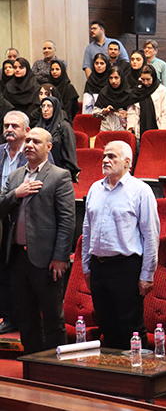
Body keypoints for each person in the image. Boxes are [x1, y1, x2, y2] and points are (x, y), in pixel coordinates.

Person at [0, 127, 75, 355]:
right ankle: (32, 363)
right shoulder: (15, 176)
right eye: (28, 141)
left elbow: (67, 220)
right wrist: (17, 193)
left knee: (52, 317)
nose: (30, 145)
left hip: (46, 258)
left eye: (36, 141)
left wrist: (60, 257)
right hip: (17, 257)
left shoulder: (59, 176)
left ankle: (55, 368)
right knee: (25, 316)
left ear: (49, 147)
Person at [82, 141, 159, 350]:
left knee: (131, 328)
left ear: (127, 162)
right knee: (107, 326)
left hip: (125, 267)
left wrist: (147, 275)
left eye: (112, 156)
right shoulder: (95, 189)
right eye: (104, 156)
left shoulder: (141, 190)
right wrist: (86, 267)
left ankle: (139, 369)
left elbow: (151, 236)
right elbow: (87, 231)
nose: (105, 160)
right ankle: (112, 371)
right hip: (98, 267)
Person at [0, 111, 31, 336]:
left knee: (18, 274)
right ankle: (7, 317)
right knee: (2, 271)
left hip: (22, 221)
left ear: (26, 130)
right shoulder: (0, 152)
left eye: (14, 126)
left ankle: (21, 318)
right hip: (1, 218)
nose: (9, 129)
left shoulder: (33, 153)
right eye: (6, 125)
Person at [37, 97, 80, 182]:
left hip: (60, 173)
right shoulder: (38, 128)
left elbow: (70, 154)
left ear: (55, 108)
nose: (45, 109)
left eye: (49, 106)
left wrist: (65, 175)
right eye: (43, 106)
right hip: (39, 173)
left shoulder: (64, 127)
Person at [128, 64, 166, 140]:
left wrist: (162, 134)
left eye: (148, 79)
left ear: (153, 77)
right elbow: (132, 112)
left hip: (159, 129)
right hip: (140, 131)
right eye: (143, 79)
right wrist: (131, 128)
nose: (145, 82)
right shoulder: (137, 91)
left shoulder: (163, 91)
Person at [93, 67, 134, 132]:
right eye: (111, 78)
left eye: (116, 78)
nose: (113, 81)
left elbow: (134, 114)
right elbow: (94, 112)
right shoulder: (104, 92)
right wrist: (104, 111)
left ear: (121, 78)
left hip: (123, 129)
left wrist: (126, 114)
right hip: (106, 128)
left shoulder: (128, 93)